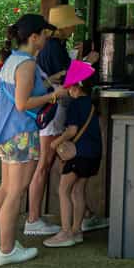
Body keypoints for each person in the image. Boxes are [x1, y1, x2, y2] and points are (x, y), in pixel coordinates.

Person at [0, 15, 69, 266]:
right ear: (34, 37)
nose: (48, 39)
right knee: (15, 192)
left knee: (5, 189)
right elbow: (22, 103)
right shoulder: (26, 64)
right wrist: (53, 96)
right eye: (45, 35)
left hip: (7, 132)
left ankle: (5, 244)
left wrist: (51, 82)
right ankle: (6, 250)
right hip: (22, 134)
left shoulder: (13, 60)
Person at [25, 4, 99, 237]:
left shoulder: (52, 47)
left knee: (58, 162)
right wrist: (88, 62)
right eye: (71, 25)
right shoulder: (54, 47)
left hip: (55, 108)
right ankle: (34, 218)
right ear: (63, 26)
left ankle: (82, 214)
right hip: (54, 109)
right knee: (46, 162)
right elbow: (69, 81)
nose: (72, 30)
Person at [43, 72, 102, 249]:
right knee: (78, 191)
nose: (68, 91)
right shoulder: (91, 103)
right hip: (93, 154)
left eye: (69, 87)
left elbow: (72, 130)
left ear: (77, 87)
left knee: (63, 190)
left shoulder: (75, 104)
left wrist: (56, 142)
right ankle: (77, 231)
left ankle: (66, 232)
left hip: (79, 154)